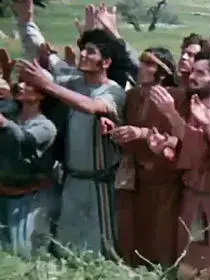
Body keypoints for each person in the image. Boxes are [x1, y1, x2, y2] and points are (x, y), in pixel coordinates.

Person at [15, 0, 127, 256]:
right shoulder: (73, 81)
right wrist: (26, 22)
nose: (83, 55)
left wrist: (49, 85)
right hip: (71, 178)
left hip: (100, 184)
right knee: (67, 248)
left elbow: (91, 106)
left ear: (106, 62)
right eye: (82, 50)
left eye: (91, 52)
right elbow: (44, 53)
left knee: (102, 250)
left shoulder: (113, 91)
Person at [148, 50, 210, 280]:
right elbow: (189, 153)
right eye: (192, 71)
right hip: (191, 197)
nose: (192, 77)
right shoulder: (195, 108)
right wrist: (166, 149)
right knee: (187, 268)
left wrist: (171, 114)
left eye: (201, 73)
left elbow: (205, 151)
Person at [111, 47, 180, 267]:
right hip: (135, 174)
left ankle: (162, 273)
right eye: (141, 62)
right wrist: (115, 129)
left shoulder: (175, 97)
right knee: (134, 229)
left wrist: (143, 133)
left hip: (163, 176)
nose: (142, 67)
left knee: (160, 233)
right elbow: (127, 126)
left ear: (163, 72)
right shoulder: (132, 96)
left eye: (149, 64)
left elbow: (180, 138)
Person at [0, 80, 57, 257]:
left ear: (42, 95)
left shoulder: (46, 126)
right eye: (21, 82)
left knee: (25, 252)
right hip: (4, 192)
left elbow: (23, 140)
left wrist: (3, 123)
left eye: (29, 84)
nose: (21, 86)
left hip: (30, 200)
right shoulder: (11, 115)